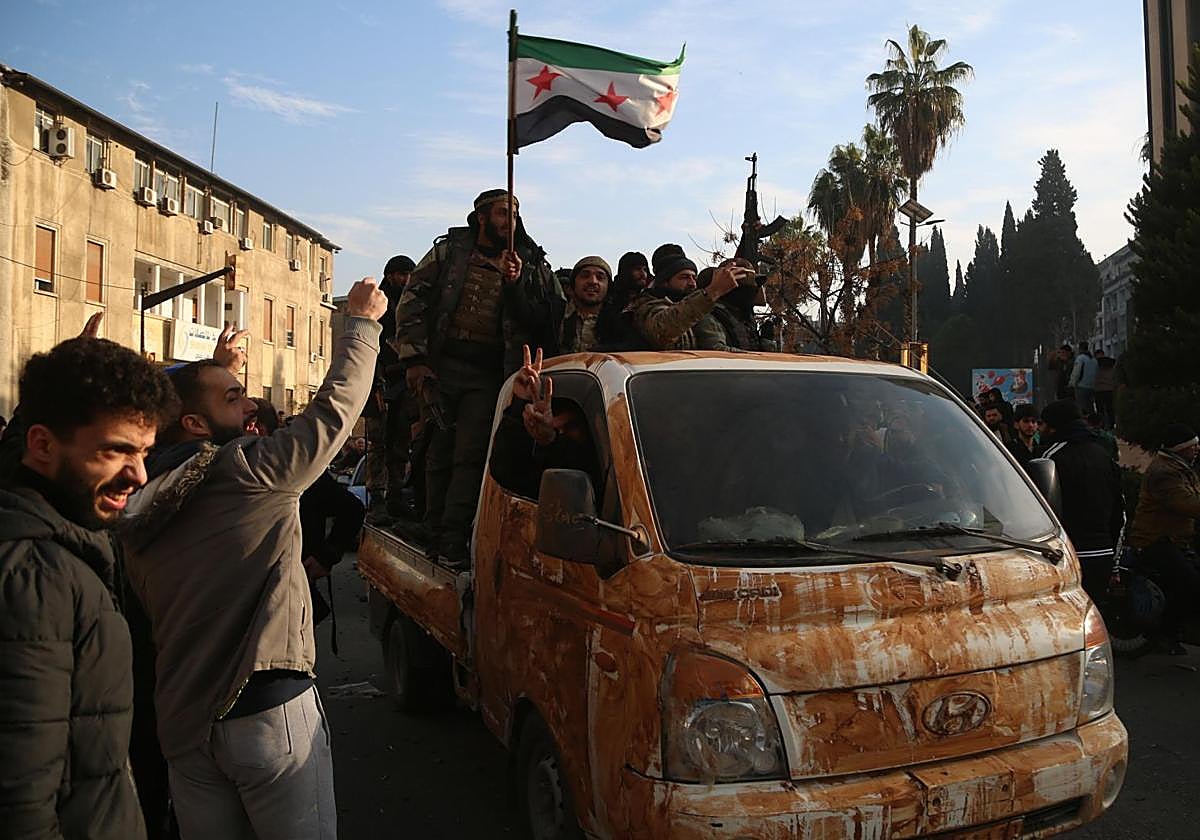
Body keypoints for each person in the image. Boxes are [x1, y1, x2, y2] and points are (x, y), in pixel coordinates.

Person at [120, 277, 387, 840]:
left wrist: (215, 370)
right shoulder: (248, 472)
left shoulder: (133, 508)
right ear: (194, 424)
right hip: (267, 711)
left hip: (184, 727)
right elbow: (333, 412)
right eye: (232, 397)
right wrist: (360, 327)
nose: (247, 404)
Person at [0, 336, 175, 840]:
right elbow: (21, 800)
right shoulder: (34, 578)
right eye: (116, 450)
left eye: (144, 452)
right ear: (42, 444)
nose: (138, 475)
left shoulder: (76, 543)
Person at [395, 189, 560, 567]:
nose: (510, 222)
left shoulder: (528, 260)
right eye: (503, 213)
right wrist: (414, 359)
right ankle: (433, 529)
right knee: (436, 452)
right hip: (442, 367)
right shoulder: (450, 252)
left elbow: (544, 314)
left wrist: (517, 283)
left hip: (489, 374)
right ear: (482, 217)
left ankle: (453, 537)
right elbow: (414, 299)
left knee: (470, 456)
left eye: (515, 214)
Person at [1039, 400, 1124, 603]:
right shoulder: (1103, 456)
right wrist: (1115, 561)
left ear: (1053, 427)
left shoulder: (1051, 458)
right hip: (1102, 553)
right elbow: (1119, 512)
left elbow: (1040, 510)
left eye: (1042, 424)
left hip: (1066, 555)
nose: (1039, 429)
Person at [488, 346, 601, 499]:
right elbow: (506, 472)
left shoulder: (608, 472)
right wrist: (518, 404)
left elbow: (582, 468)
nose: (561, 433)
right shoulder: (544, 468)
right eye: (556, 428)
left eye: (571, 427)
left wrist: (553, 441)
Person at [1126, 422, 1200, 654]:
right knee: (1189, 584)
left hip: (1176, 538)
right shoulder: (1164, 472)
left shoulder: (1181, 466)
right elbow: (1186, 503)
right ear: (1180, 448)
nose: (1197, 449)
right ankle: (1166, 634)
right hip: (1155, 540)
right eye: (1193, 445)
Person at [364, 255, 416, 524]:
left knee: (400, 444)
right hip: (380, 382)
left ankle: (395, 495)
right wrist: (374, 385)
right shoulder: (378, 306)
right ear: (390, 275)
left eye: (409, 274)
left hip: (403, 383)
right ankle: (378, 499)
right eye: (400, 274)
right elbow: (369, 347)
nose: (405, 280)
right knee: (378, 443)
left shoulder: (410, 304)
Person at [631, 250, 752, 350]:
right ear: (665, 282)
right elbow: (663, 329)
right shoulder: (647, 306)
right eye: (684, 277)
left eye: (694, 277)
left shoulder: (701, 309)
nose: (692, 283)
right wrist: (713, 291)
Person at [702, 257, 779, 352]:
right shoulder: (711, 316)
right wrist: (754, 356)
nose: (754, 288)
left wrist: (766, 342)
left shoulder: (744, 317)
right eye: (748, 284)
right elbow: (716, 353)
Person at [1007, 403, 1040, 468]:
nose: (1030, 425)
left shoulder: (1042, 448)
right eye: (1026, 421)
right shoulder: (1009, 449)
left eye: (1033, 421)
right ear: (1016, 425)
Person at [1068, 342, 1097, 415]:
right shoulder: (1093, 360)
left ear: (1080, 348)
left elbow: (1076, 372)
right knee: (1090, 407)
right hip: (1092, 387)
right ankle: (1093, 422)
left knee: (1081, 408)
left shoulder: (1080, 358)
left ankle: (1084, 423)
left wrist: (1072, 383)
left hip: (1081, 386)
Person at [1093, 348, 1117, 429]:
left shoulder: (1095, 364)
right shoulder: (1112, 363)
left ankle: (1102, 425)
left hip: (1098, 389)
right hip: (1110, 389)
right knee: (1110, 408)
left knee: (1100, 410)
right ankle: (1111, 425)